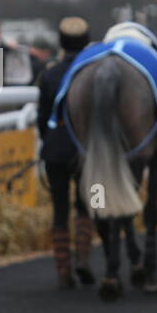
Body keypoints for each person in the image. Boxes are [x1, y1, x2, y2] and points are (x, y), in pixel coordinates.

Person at [35, 17, 94, 288]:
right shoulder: (94, 72)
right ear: (86, 41)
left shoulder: (49, 74)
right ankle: (83, 258)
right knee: (85, 206)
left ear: (61, 42)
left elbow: (42, 117)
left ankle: (63, 270)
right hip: (86, 148)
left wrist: (48, 142)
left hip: (56, 148)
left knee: (60, 209)